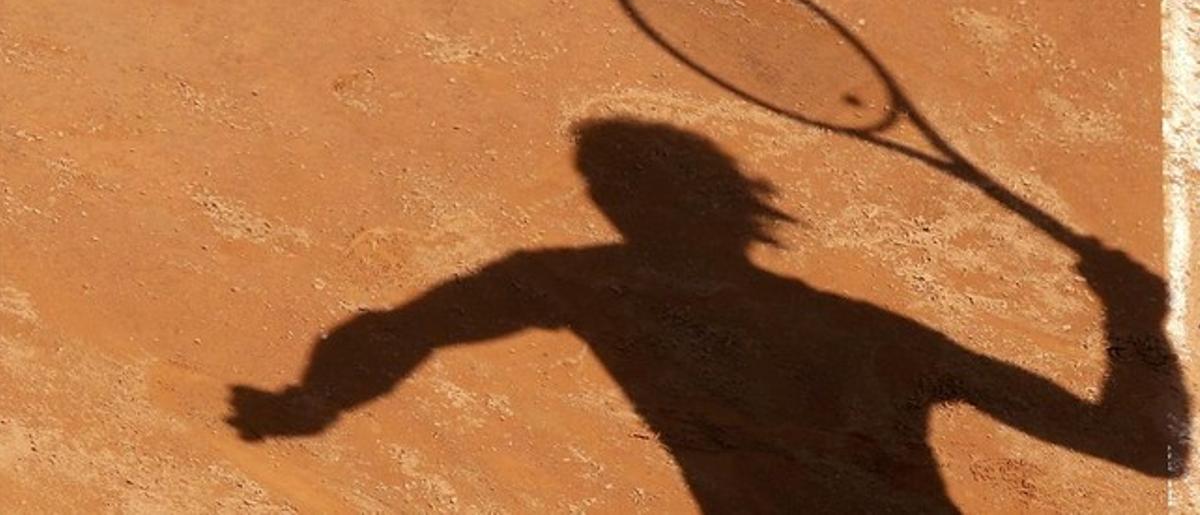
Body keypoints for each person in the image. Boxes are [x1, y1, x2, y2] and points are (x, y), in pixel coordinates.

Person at [228, 117, 1186, 513]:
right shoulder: (888, 344)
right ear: (740, 208)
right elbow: (1152, 450)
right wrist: (1133, 316)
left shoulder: (586, 288)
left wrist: (314, 399)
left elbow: (410, 326)